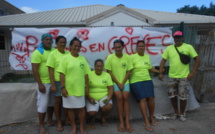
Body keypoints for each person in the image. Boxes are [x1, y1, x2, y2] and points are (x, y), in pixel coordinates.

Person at [158, 31, 200, 121]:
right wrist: (160, 72)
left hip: (184, 77)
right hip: (172, 77)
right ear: (173, 38)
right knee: (172, 96)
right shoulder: (169, 48)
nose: (177, 38)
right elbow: (163, 60)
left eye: (178, 37)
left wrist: (192, 73)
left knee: (183, 97)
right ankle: (176, 113)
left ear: (182, 38)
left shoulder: (188, 47)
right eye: (175, 37)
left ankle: (182, 114)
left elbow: (197, 59)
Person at [57, 37, 90, 134]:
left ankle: (82, 128)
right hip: (68, 89)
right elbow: (62, 74)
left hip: (80, 89)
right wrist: (62, 87)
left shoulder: (83, 59)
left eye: (78, 46)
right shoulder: (65, 58)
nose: (77, 47)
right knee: (70, 109)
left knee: (81, 109)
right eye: (75, 45)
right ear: (70, 46)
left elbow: (86, 75)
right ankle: (74, 127)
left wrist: (87, 87)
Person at [130, 40, 160, 132]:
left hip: (147, 80)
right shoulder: (132, 57)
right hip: (136, 81)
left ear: (145, 47)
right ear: (136, 47)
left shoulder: (147, 56)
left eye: (143, 46)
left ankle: (151, 117)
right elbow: (128, 70)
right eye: (139, 46)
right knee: (143, 99)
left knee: (151, 98)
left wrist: (159, 72)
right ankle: (146, 121)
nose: (141, 47)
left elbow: (150, 68)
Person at [104, 39, 134, 132]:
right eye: (115, 47)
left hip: (125, 82)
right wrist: (118, 83)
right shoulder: (110, 57)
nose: (117, 49)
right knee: (119, 97)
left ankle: (127, 122)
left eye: (119, 47)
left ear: (123, 47)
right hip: (114, 82)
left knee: (125, 97)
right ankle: (121, 122)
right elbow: (109, 72)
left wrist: (123, 83)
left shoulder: (127, 57)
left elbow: (129, 71)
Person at [31, 33, 55, 134]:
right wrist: (40, 84)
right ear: (42, 40)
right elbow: (35, 69)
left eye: (50, 40)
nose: (48, 41)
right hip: (44, 83)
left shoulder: (54, 51)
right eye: (46, 39)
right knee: (43, 105)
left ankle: (49, 120)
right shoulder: (37, 52)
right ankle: (41, 126)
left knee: (52, 103)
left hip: (53, 82)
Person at [46, 35, 70, 132]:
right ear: (56, 43)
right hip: (57, 82)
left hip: (68, 82)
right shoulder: (53, 54)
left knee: (67, 102)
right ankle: (59, 121)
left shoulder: (68, 53)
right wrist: (53, 85)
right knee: (58, 103)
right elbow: (50, 70)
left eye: (64, 42)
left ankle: (68, 119)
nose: (63, 44)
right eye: (61, 42)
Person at [86, 59, 113, 129]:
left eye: (101, 66)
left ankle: (103, 118)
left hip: (104, 96)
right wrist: (89, 97)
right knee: (92, 113)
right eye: (97, 66)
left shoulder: (107, 75)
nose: (99, 68)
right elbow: (85, 88)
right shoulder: (89, 74)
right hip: (92, 97)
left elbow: (110, 88)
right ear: (94, 67)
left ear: (103, 67)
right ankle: (92, 118)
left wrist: (108, 98)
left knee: (108, 107)